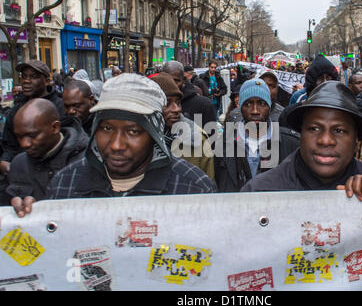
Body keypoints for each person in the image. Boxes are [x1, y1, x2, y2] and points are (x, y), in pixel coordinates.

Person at [12, 74, 216, 217]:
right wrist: (31, 221)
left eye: (133, 131)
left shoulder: (194, 188)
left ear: (154, 135)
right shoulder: (65, 184)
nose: (117, 145)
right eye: (107, 129)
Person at [241, 81, 362, 198]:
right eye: (314, 129)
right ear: (301, 134)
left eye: (339, 130)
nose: (325, 140)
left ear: (356, 140)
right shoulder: (258, 193)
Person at [215, 78, 299, 192]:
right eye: (248, 104)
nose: (255, 111)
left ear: (269, 106)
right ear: (240, 107)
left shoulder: (292, 144)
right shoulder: (221, 145)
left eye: (262, 103)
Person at [7, 99, 88, 203]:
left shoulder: (86, 161)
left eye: (32, 136)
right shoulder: (18, 165)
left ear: (55, 127)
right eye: (19, 137)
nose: (24, 144)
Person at [0, 60, 65, 178]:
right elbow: (9, 145)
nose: (26, 81)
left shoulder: (61, 107)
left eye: (33, 77)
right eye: (23, 77)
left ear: (46, 81)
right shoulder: (16, 110)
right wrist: (5, 161)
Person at [151, 72, 215, 181]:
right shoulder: (137, 140)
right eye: (167, 103)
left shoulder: (198, 138)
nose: (176, 109)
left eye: (178, 102)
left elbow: (209, 187)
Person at [281, 54, 339, 126]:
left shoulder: (343, 105)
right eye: (320, 78)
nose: (325, 82)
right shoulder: (296, 101)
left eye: (328, 78)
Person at [162, 61, 216, 132]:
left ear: (183, 80)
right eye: (168, 80)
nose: (171, 84)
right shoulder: (156, 103)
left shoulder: (204, 105)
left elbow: (211, 139)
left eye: (175, 80)